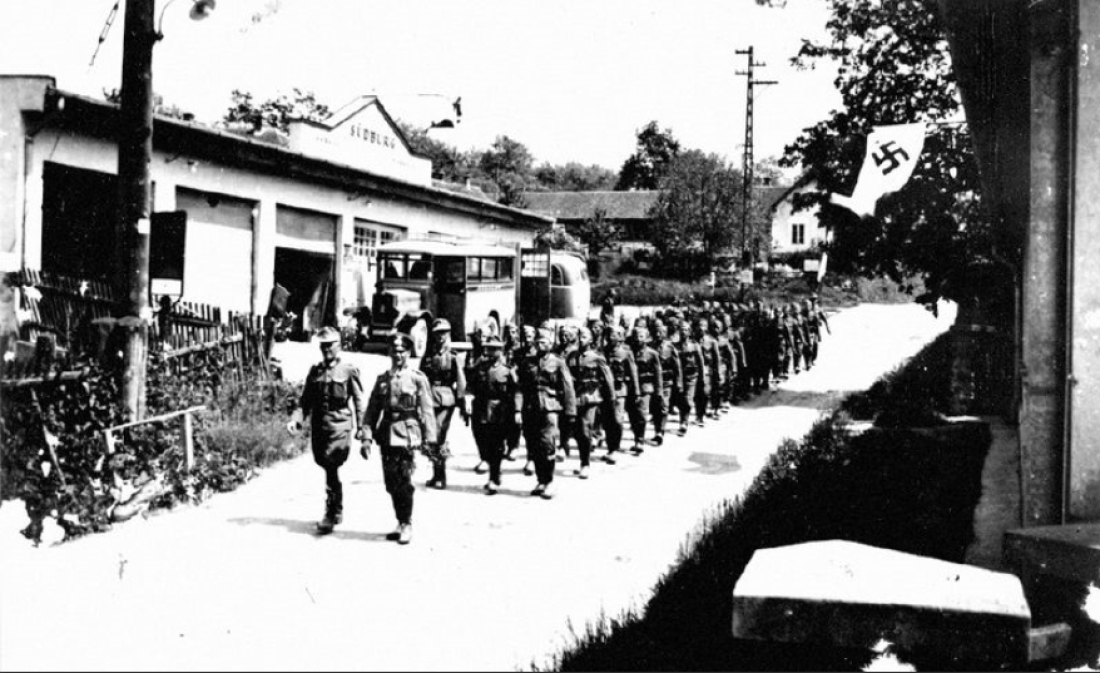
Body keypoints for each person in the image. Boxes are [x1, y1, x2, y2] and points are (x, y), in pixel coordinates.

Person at [286, 326, 366, 535]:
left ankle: (330, 513)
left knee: (331, 465)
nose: (326, 349)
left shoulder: (348, 370)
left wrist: (362, 428)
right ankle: (337, 508)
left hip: (340, 426)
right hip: (320, 426)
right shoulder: (315, 371)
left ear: (339, 346)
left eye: (330, 345)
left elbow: (358, 401)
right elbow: (305, 401)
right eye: (323, 346)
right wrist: (296, 420)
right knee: (325, 464)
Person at [361, 333, 438, 545]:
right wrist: (367, 437)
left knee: (403, 480)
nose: (398, 355)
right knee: (390, 481)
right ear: (390, 353)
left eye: (402, 351)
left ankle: (406, 522)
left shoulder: (417, 378)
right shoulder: (383, 380)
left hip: (408, 433)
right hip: (386, 433)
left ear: (409, 353)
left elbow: (427, 410)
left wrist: (430, 439)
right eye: (395, 351)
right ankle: (400, 519)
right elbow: (371, 411)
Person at [517, 327, 576, 499]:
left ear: (550, 344)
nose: (540, 344)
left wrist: (570, 411)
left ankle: (549, 481)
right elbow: (521, 388)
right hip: (530, 408)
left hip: (550, 408)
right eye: (538, 342)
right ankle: (540, 480)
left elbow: (568, 388)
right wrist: (517, 409)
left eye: (544, 342)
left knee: (547, 444)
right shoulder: (527, 362)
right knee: (533, 445)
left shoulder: (558, 362)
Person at [467, 335, 522, 494]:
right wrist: (467, 399)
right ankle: (491, 468)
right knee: (481, 439)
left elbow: (517, 391)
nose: (490, 351)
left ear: (500, 350)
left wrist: (517, 410)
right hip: (480, 408)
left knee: (496, 445)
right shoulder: (480, 365)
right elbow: (470, 385)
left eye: (494, 349)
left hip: (500, 411)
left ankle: (493, 477)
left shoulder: (508, 369)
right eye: (488, 348)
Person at [418, 318, 467, 489]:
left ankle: (441, 477)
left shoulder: (454, 357)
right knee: (430, 436)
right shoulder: (429, 355)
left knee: (438, 435)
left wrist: (462, 404)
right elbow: (421, 377)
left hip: (446, 399)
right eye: (438, 333)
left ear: (449, 334)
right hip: (429, 398)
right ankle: (436, 474)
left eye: (444, 333)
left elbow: (461, 382)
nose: (440, 337)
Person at [566, 326, 615, 479]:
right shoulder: (571, 356)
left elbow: (608, 379)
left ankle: (585, 464)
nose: (581, 338)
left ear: (591, 339)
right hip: (576, 399)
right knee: (579, 432)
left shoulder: (597, 357)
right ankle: (583, 458)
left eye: (585, 336)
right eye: (579, 336)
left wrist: (611, 397)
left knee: (585, 429)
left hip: (591, 398)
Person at [603, 324, 638, 464]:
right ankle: (610, 447)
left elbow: (633, 371)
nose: (612, 337)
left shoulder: (626, 352)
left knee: (617, 420)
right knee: (607, 420)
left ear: (621, 337)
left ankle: (614, 448)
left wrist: (636, 391)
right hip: (605, 390)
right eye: (610, 334)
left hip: (620, 389)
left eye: (615, 334)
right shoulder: (604, 351)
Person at [628, 326, 662, 453]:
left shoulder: (652, 354)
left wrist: (659, 391)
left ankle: (639, 441)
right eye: (636, 336)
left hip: (645, 387)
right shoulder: (629, 352)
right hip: (630, 388)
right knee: (632, 415)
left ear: (647, 338)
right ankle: (637, 436)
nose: (638, 339)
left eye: (641, 336)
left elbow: (658, 373)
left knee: (641, 414)